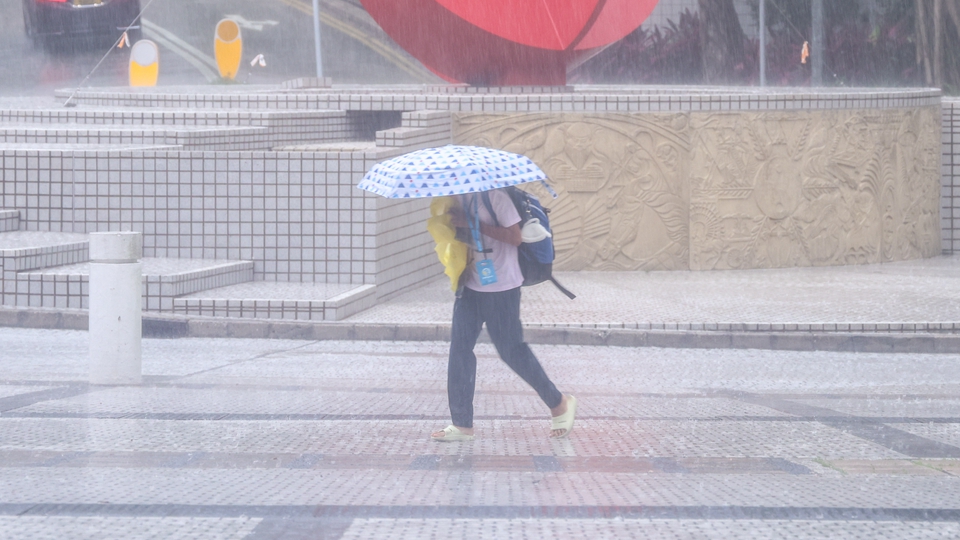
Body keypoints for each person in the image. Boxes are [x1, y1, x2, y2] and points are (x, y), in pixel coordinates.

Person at [431, 188, 577, 442]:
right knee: (460, 349)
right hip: (471, 284)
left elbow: (515, 237)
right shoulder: (459, 199)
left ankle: (559, 402)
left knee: (512, 351)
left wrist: (473, 223)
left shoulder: (496, 197)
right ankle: (462, 424)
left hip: (503, 288)